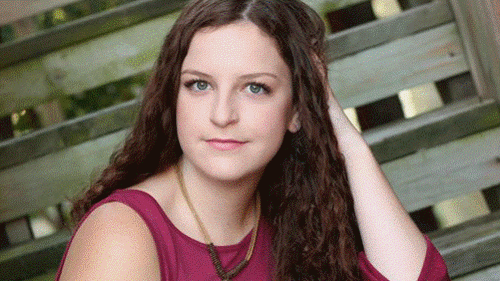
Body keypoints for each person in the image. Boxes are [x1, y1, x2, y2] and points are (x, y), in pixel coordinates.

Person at [55, 0, 450, 280]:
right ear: (172, 97)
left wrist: (344, 136)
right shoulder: (124, 233)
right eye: (199, 85)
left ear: (296, 111)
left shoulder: (293, 220)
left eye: (255, 88)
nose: (222, 114)